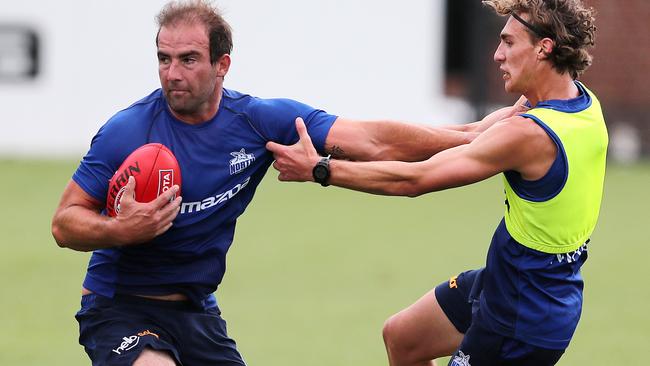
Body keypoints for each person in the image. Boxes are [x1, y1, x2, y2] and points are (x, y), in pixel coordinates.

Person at [50, 1, 524, 365]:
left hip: (195, 312)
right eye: (164, 59)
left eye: (189, 59)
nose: (173, 74)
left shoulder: (257, 121)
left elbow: (372, 141)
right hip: (119, 308)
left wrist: (471, 134)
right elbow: (64, 223)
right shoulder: (128, 131)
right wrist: (120, 230)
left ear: (222, 65)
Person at [267, 0, 607, 365]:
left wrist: (321, 170)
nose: (497, 55)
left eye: (508, 42)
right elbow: (471, 134)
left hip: (524, 315)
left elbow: (418, 178)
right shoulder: (576, 101)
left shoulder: (531, 134)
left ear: (544, 47)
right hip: (507, 281)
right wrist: (357, 147)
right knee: (402, 338)